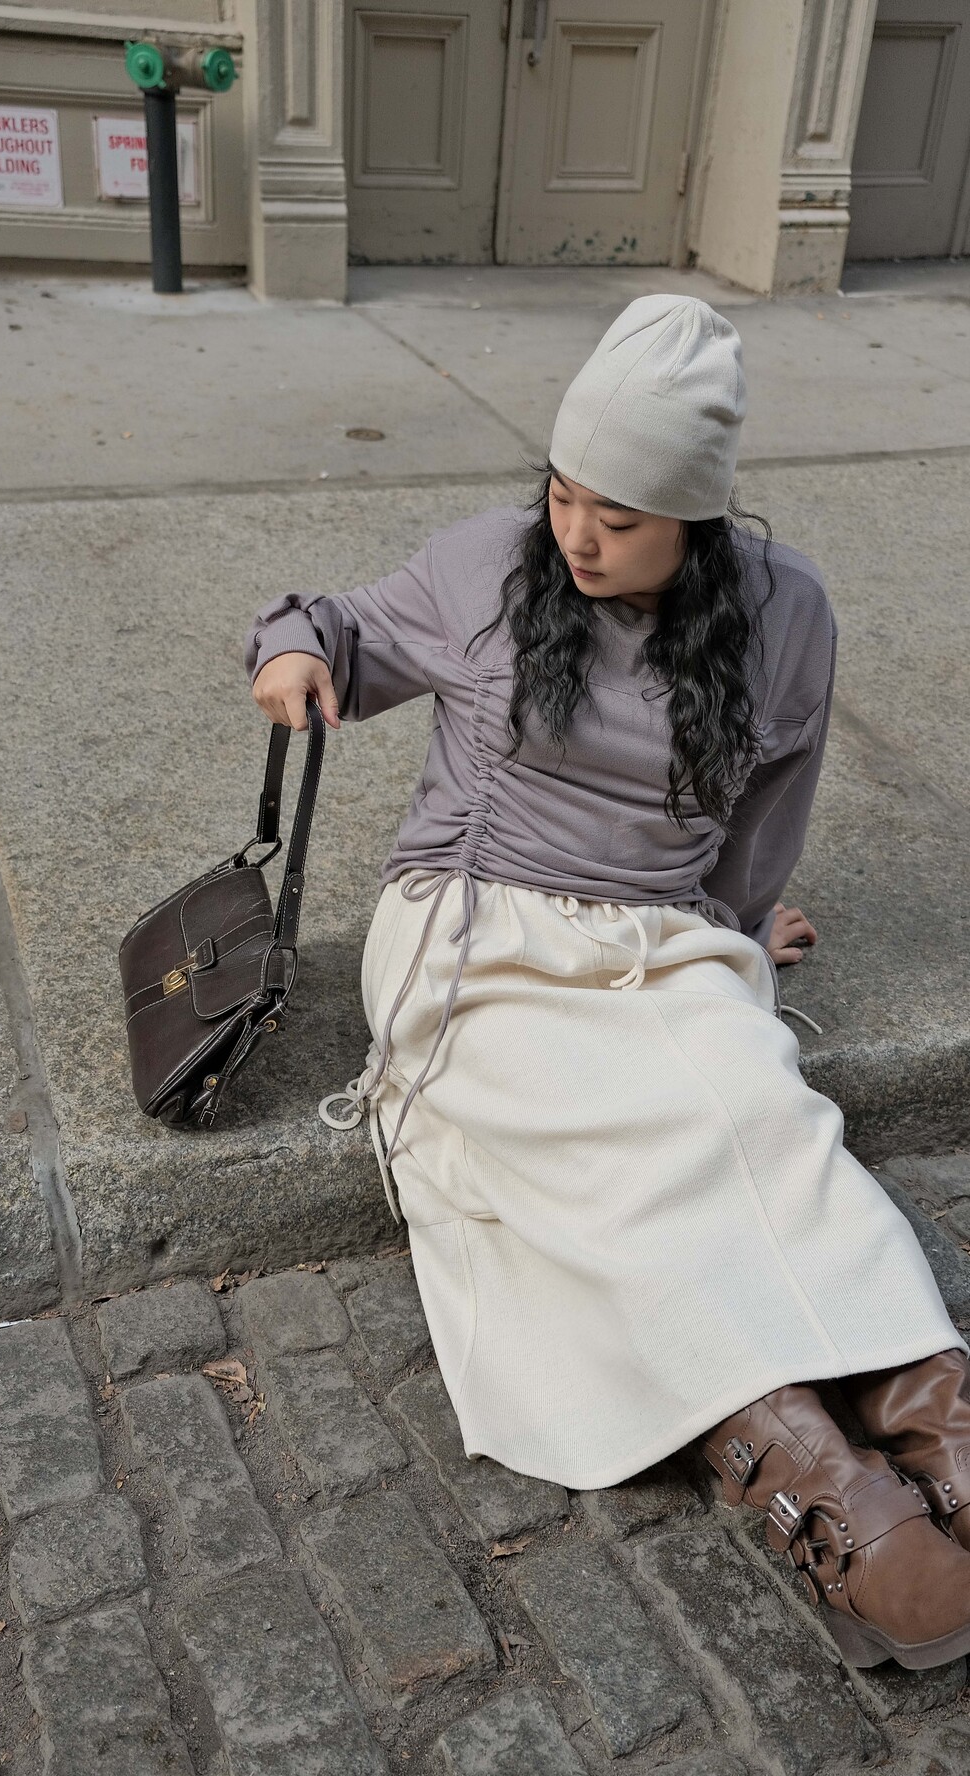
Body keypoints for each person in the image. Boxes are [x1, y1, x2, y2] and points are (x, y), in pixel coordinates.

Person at [244, 295, 970, 1672]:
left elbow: (767, 810)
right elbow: (337, 626)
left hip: (656, 932)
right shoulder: (490, 568)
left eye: (619, 516)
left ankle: (940, 1416)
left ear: (696, 514)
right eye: (564, 493)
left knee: (767, 1125)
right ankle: (818, 1485)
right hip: (476, 927)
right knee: (602, 1165)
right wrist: (291, 651)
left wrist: (738, 932)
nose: (577, 534)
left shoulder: (787, 612)